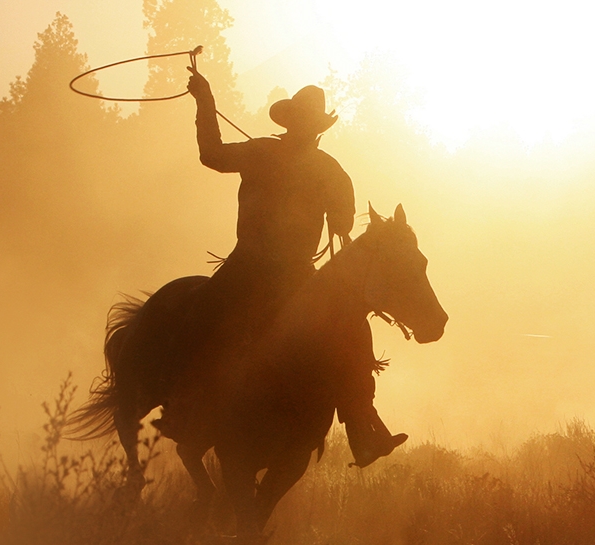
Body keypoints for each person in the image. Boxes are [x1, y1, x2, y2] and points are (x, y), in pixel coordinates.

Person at [155, 66, 407, 465]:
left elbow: (213, 154)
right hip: (273, 273)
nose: (308, 128)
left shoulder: (284, 159)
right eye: (305, 121)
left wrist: (205, 102)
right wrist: (206, 103)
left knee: (351, 335)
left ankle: (362, 425)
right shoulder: (317, 166)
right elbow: (341, 224)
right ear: (299, 124)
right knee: (204, 320)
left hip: (268, 272)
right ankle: (361, 427)